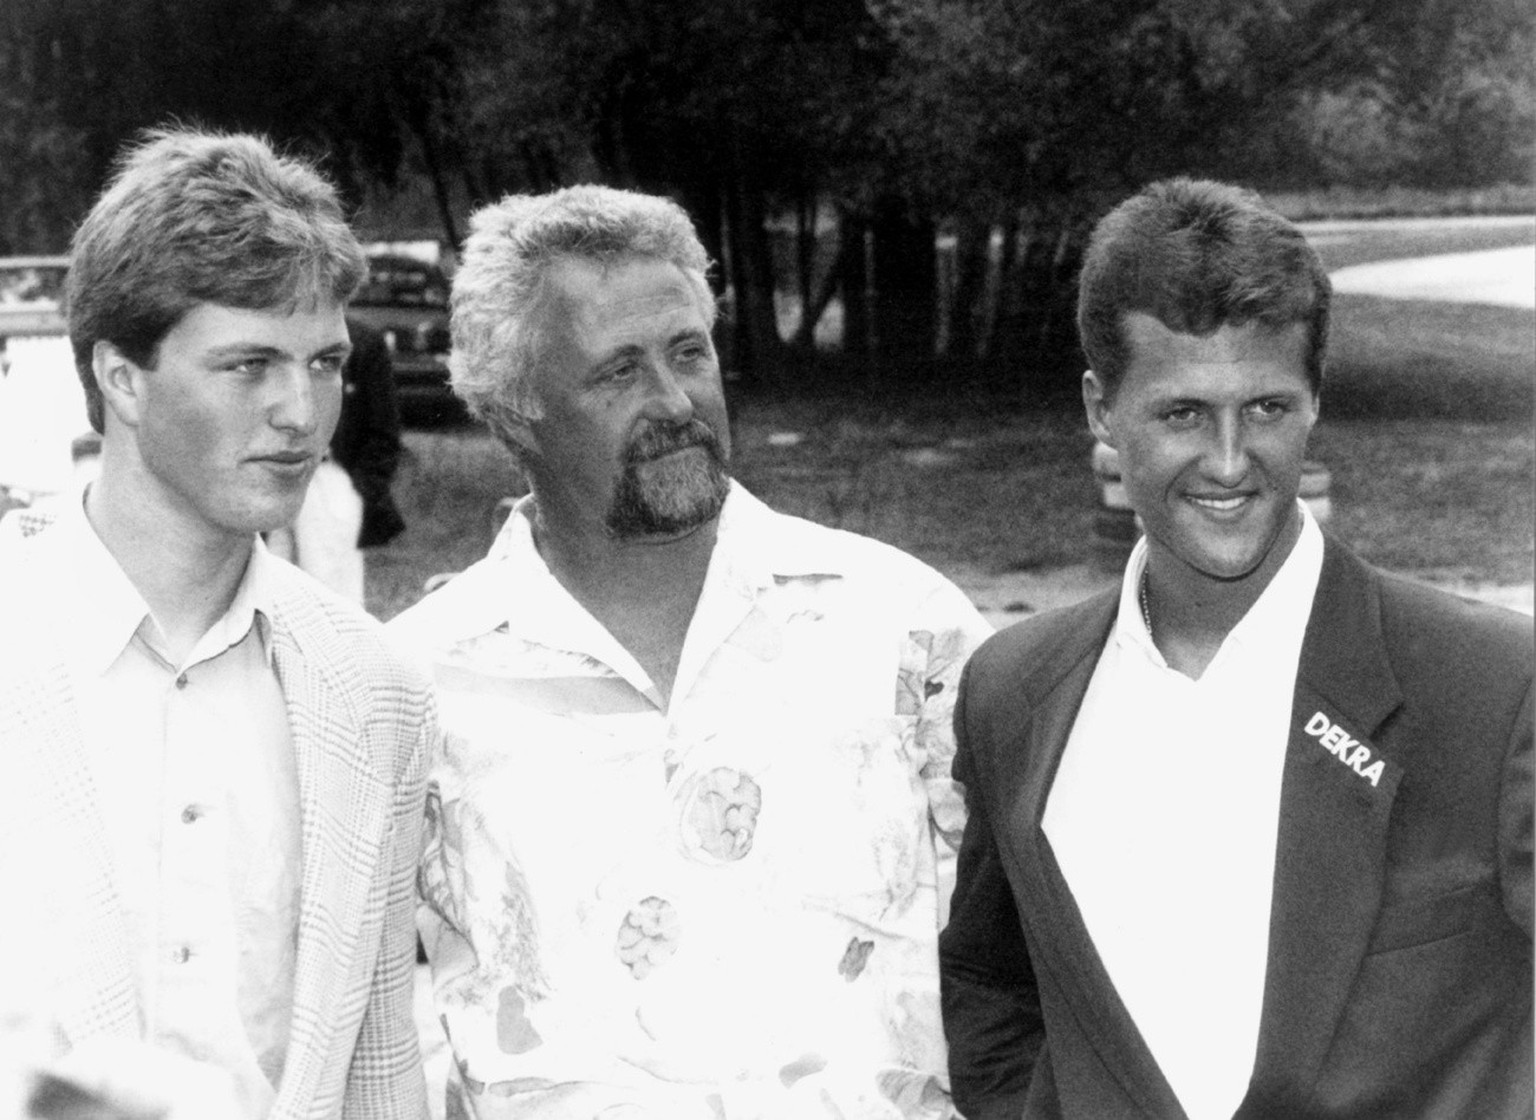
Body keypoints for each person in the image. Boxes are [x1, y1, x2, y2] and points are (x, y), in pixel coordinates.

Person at [386, 185, 993, 1118]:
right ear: (515, 414)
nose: (674, 402)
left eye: (688, 353)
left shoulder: (902, 628)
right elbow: (368, 1022)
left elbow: (1024, 957)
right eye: (617, 373)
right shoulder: (413, 688)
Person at [938, 177, 1533, 1119]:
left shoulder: (1494, 688)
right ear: (1102, 410)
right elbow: (990, 980)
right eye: (1181, 414)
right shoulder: (1012, 692)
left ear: (1313, 402)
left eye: (1265, 408)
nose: (1227, 461)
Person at [0, 127, 435, 1118]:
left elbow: (377, 1070)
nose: (301, 412)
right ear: (121, 377)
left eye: (324, 362)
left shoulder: (379, 691)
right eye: (248, 365)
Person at [267, 315, 406, 603]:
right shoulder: (266, 332)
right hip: (271, 473)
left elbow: (383, 429)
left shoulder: (362, 342)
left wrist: (362, 490)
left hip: (329, 479)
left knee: (331, 596)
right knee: (269, 591)